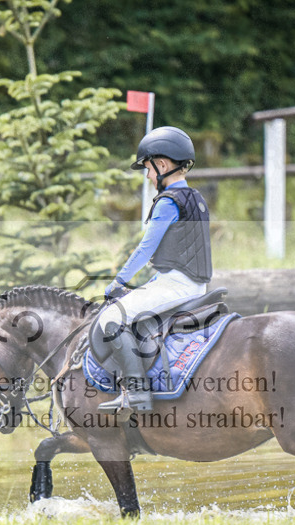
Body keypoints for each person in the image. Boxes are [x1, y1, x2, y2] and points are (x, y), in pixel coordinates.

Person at [95, 126, 212, 415]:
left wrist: (118, 281)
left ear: (162, 165)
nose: (148, 177)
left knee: (112, 317)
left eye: (148, 169)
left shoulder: (168, 202)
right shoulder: (196, 198)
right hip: (192, 282)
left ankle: (136, 393)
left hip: (178, 284)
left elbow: (145, 248)